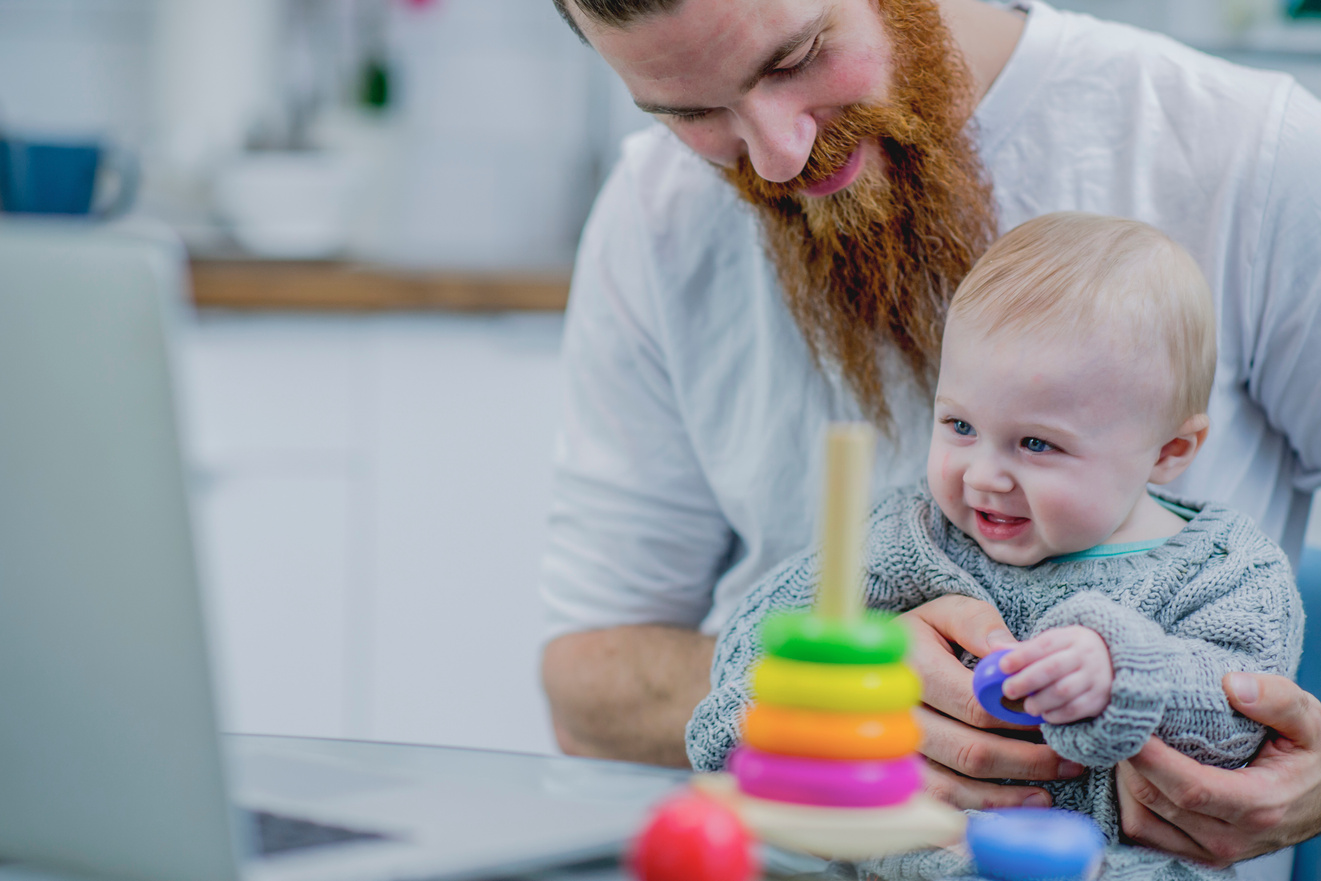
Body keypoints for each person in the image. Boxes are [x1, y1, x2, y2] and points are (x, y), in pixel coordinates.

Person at [537, 0, 1321, 868]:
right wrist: (829, 686)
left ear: (1175, 448)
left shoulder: (1258, 153)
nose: (776, 155)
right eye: (691, 112)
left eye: (797, 57)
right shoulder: (652, 213)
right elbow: (587, 687)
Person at [685, 213, 1304, 875]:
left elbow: (1240, 726)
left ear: (1169, 451)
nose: (980, 473)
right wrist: (783, 717)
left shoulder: (1228, 572)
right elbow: (761, 644)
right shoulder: (911, 535)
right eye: (958, 424)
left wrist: (1121, 672)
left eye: (1035, 443)